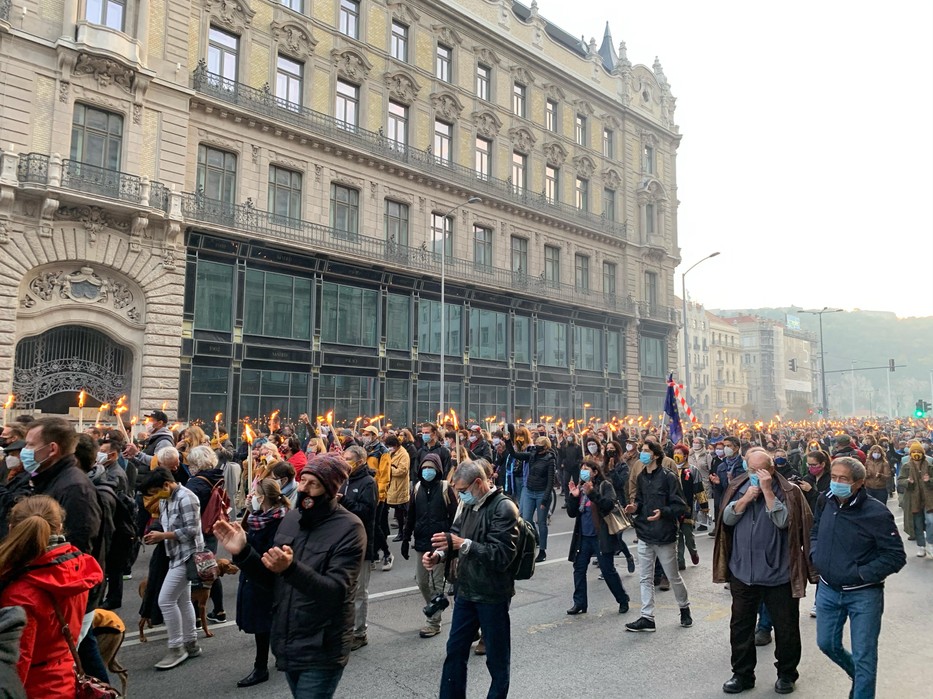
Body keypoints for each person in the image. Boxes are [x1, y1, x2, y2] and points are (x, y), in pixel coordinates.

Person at [214, 454, 365, 699]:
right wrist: (243, 553)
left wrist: (291, 569)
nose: (303, 488)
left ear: (329, 490)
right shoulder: (292, 519)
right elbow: (271, 580)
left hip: (322, 646)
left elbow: (336, 592)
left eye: (313, 484)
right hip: (288, 638)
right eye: (302, 480)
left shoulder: (349, 528)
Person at [714, 448, 815, 695]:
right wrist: (746, 498)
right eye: (751, 470)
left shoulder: (790, 492)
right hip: (743, 572)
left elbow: (786, 522)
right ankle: (742, 674)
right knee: (740, 627)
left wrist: (768, 492)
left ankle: (787, 674)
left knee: (786, 627)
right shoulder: (739, 487)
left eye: (761, 470)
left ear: (771, 469)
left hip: (778, 574)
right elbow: (726, 519)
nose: (755, 475)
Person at [810, 457, 906, 699]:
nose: (837, 483)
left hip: (864, 594)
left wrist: (861, 573)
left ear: (859, 483)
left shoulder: (876, 512)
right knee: (826, 644)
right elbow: (815, 530)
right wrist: (815, 553)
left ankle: (862, 685)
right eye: (834, 477)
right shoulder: (825, 500)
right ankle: (860, 675)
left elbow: (895, 556)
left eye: (844, 479)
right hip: (828, 590)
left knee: (865, 655)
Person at [428, 461, 519, 699]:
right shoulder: (467, 506)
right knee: (455, 651)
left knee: (497, 659)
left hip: (492, 595)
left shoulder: (504, 508)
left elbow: (501, 556)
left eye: (462, 490)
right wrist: (439, 555)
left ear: (478, 483)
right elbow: (455, 536)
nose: (459, 496)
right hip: (466, 591)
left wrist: (464, 545)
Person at [0, 495, 103, 697]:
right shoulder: (74, 568)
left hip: (35, 687)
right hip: (64, 675)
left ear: (12, 528)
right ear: (60, 527)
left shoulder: (20, 593)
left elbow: (17, 663)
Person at [624, 440, 692, 632]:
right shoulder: (641, 477)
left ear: (655, 455)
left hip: (664, 534)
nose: (642, 454)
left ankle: (684, 607)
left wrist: (663, 512)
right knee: (645, 577)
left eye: (646, 451)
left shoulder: (669, 477)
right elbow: (638, 500)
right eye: (642, 451)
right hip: (645, 532)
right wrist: (634, 507)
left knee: (673, 575)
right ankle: (647, 617)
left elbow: (681, 505)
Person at [141, 467, 203, 670]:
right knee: (183, 600)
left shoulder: (187, 497)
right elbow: (164, 522)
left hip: (187, 554)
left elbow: (192, 530)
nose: (154, 498)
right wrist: (155, 532)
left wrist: (163, 536)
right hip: (175, 554)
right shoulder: (166, 498)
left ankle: (176, 647)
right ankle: (191, 643)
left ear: (166, 485)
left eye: (155, 492)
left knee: (166, 600)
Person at [235, 478, 290, 688]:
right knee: (265, 622)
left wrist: (245, 546)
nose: (252, 497)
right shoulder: (258, 516)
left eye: (255, 494)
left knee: (263, 623)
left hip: (264, 578)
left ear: (263, 497)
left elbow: (267, 552)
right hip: (253, 575)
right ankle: (277, 655)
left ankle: (261, 667)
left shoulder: (278, 521)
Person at [401, 453, 458, 639]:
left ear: (438, 470)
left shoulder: (445, 488)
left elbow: (455, 516)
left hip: (440, 542)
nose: (427, 471)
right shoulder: (416, 488)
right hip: (421, 542)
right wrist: (405, 537)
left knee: (436, 583)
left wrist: (451, 540)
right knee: (422, 581)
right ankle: (436, 605)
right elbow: (410, 516)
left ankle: (433, 622)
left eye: (431, 468)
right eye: (424, 468)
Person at [565, 458, 631, 615]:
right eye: (582, 469)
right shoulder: (580, 488)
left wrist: (592, 493)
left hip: (600, 536)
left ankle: (622, 599)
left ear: (595, 472)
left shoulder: (605, 485)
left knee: (607, 570)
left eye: (587, 469)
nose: (584, 472)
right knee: (579, 568)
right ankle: (579, 603)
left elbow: (609, 505)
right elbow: (571, 513)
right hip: (584, 536)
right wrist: (573, 497)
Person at [339, 446, 377, 651]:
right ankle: (345, 628)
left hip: (361, 543)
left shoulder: (368, 483)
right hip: (342, 543)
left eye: (349, 459)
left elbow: (367, 512)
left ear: (361, 461)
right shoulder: (344, 480)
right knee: (344, 590)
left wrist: (343, 500)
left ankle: (359, 632)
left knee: (359, 591)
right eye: (343, 459)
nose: (345, 462)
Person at [184, 445, 228, 624]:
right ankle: (219, 610)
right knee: (210, 569)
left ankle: (195, 616)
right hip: (212, 526)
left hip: (200, 529)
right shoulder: (216, 476)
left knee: (197, 574)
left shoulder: (195, 483)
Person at [510, 435, 556, 563]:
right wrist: (508, 440)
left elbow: (550, 481)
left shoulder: (550, 459)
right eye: (535, 443)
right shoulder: (532, 455)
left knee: (541, 522)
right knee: (526, 520)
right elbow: (514, 454)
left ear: (545, 446)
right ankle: (532, 542)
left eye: (539, 444)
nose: (536, 446)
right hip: (530, 491)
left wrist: (545, 500)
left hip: (542, 493)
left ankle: (542, 550)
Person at [897, 441, 933, 557]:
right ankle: (921, 546)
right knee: (917, 523)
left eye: (918, 452)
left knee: (930, 521)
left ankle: (930, 543)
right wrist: (907, 482)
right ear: (910, 454)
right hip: (914, 499)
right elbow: (900, 480)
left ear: (923, 453)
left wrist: (929, 481)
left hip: (929, 499)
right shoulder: (906, 466)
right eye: (914, 452)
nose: (916, 454)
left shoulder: (929, 465)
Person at [385, 434, 411, 541]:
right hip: (392, 486)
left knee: (401, 512)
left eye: (390, 446)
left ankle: (402, 532)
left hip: (399, 486)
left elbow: (402, 471)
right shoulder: (392, 453)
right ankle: (403, 532)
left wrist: (388, 469)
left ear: (395, 445)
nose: (389, 448)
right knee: (399, 511)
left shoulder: (403, 454)